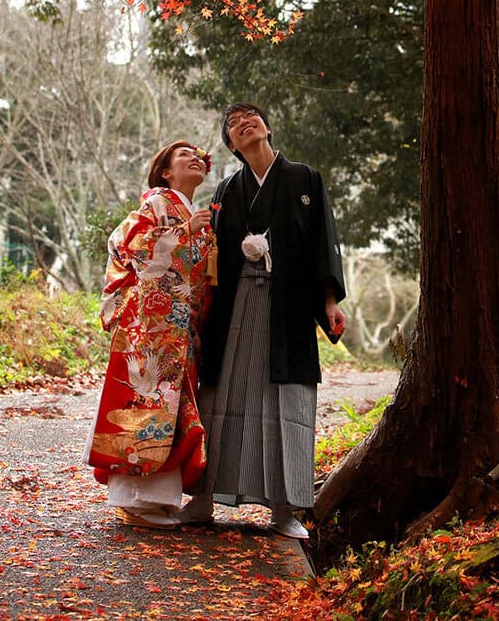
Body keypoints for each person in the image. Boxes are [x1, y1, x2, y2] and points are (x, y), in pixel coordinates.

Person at [180, 103, 346, 540]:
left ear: (267, 127)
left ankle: (283, 510)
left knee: (286, 403)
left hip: (286, 306)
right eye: (233, 123)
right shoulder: (226, 190)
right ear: (232, 145)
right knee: (220, 399)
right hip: (233, 306)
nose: (244, 122)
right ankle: (200, 499)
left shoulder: (305, 178)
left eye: (251, 116)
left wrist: (328, 302)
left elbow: (323, 244)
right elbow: (208, 256)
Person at [85, 140, 215, 529]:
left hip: (179, 325)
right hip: (148, 322)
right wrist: (182, 231)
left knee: (171, 411)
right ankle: (132, 500)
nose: (195, 159)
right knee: (144, 401)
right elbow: (126, 244)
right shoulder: (157, 202)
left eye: (199, 156)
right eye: (184, 156)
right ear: (165, 172)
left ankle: (158, 500)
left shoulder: (199, 214)